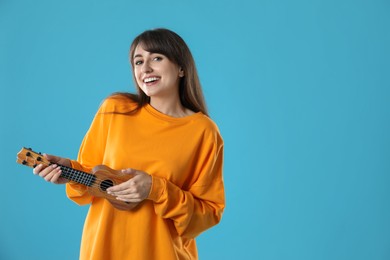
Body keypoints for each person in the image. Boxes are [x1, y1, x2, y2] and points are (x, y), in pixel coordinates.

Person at [33, 28, 225, 259]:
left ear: (181, 68)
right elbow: (92, 178)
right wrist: (71, 173)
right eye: (138, 61)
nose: (145, 69)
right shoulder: (115, 109)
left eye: (157, 58)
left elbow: (207, 214)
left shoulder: (203, 131)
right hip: (104, 250)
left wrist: (155, 189)